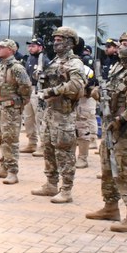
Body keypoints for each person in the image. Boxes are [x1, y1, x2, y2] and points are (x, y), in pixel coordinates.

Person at [85, 31, 127, 231]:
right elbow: (111, 92)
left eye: (125, 44)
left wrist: (122, 118)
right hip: (110, 125)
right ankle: (110, 207)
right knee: (107, 167)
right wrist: (99, 93)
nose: (120, 47)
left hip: (126, 129)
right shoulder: (118, 68)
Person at [31, 27, 86, 204]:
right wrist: (40, 77)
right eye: (54, 40)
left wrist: (53, 90)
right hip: (49, 112)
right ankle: (51, 184)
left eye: (59, 40)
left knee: (64, 152)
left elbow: (77, 85)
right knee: (48, 149)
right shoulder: (54, 61)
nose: (55, 43)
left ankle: (66, 189)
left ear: (70, 42)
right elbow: (48, 79)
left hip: (64, 114)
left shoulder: (75, 63)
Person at [0, 39, 31, 184]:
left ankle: (12, 171)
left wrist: (20, 103)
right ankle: (4, 167)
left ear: (11, 50)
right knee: (2, 138)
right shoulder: (1, 66)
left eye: (2, 47)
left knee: (11, 139)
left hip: (11, 109)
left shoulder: (17, 68)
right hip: (1, 108)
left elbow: (26, 87)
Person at [22, 37, 48, 156]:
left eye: (33, 46)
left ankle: (43, 145)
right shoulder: (30, 59)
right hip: (29, 90)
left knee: (40, 119)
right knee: (28, 118)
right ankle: (32, 143)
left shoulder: (44, 60)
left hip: (39, 90)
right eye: (29, 46)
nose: (30, 48)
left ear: (40, 47)